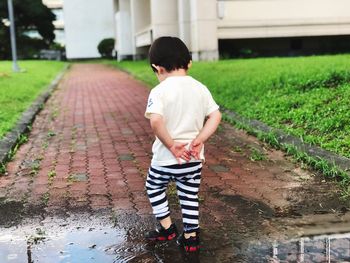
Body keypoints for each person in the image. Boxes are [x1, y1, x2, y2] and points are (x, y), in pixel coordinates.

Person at [144, 36, 222, 252]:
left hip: (166, 158)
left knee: (154, 187)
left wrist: (171, 145)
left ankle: (167, 228)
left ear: (157, 68)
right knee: (188, 196)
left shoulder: (159, 91)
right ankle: (190, 239)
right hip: (193, 157)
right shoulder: (200, 88)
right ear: (189, 63)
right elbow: (215, 116)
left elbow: (156, 121)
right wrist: (200, 139)